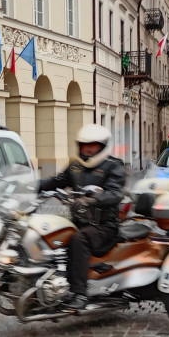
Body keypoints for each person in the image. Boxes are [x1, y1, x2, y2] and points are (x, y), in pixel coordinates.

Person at [39, 124, 126, 309]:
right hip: (79, 221)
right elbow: (57, 181)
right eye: (83, 144)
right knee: (51, 232)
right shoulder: (75, 166)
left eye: (92, 145)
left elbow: (116, 193)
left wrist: (92, 199)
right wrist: (33, 185)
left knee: (79, 239)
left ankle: (79, 294)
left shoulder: (114, 166)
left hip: (104, 227)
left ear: (102, 146)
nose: (87, 148)